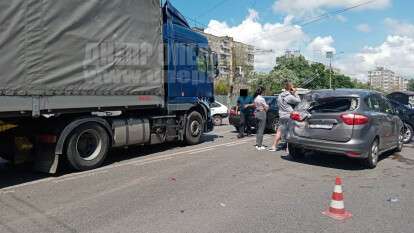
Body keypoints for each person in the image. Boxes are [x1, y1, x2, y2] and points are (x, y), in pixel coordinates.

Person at [269, 81, 301, 152]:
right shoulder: (289, 96)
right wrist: (295, 93)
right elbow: (298, 101)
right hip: (289, 115)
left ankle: (274, 146)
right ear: (290, 88)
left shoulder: (280, 95)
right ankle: (288, 148)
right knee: (289, 131)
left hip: (281, 115)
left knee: (279, 131)